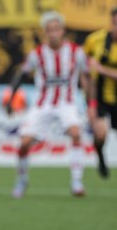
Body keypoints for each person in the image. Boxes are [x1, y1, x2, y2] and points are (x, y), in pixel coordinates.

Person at [7, 11, 90, 198]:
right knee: (24, 144)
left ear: (63, 31)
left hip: (66, 103)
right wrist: (11, 98)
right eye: (49, 30)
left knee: (76, 133)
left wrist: (90, 103)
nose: (53, 33)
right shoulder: (36, 54)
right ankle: (22, 179)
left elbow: (86, 77)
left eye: (56, 29)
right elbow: (21, 74)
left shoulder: (77, 52)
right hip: (42, 104)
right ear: (45, 32)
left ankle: (77, 181)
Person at [83, 7, 117, 179]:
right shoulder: (95, 40)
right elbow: (85, 70)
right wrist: (89, 103)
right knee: (100, 134)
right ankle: (101, 157)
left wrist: (102, 69)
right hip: (101, 98)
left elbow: (98, 68)